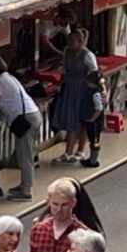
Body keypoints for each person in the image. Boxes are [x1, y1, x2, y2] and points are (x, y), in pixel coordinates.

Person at [0, 54, 44, 199]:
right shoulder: (9, 77)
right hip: (32, 114)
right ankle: (23, 185)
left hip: (25, 118)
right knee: (23, 153)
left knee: (24, 155)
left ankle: (26, 190)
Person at [47, 29, 101, 166]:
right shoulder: (67, 52)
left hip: (82, 89)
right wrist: (60, 85)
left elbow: (94, 74)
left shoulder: (87, 55)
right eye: (69, 41)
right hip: (69, 89)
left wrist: (93, 89)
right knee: (71, 118)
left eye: (72, 41)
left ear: (80, 41)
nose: (70, 43)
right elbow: (64, 71)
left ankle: (76, 150)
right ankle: (70, 151)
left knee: (81, 120)